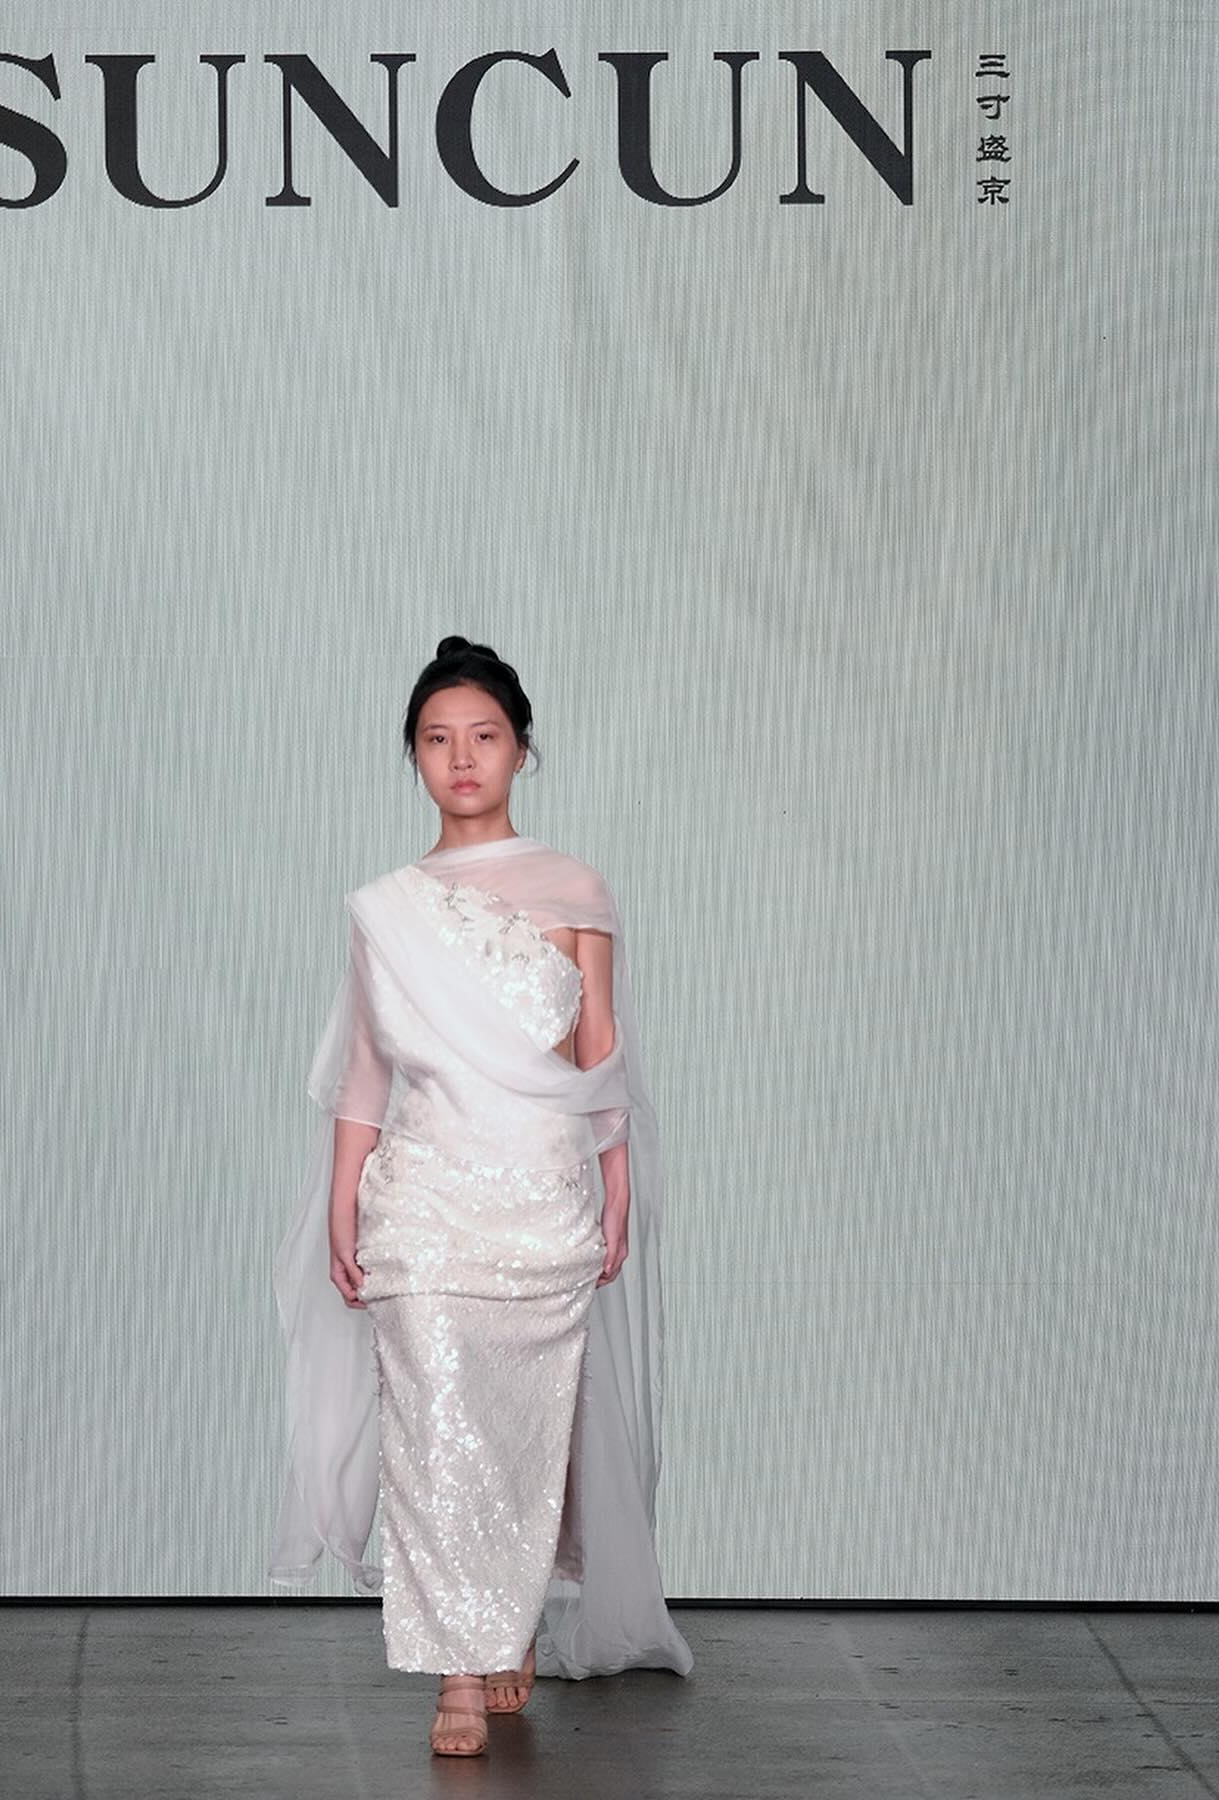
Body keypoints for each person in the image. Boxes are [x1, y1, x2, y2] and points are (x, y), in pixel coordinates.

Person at [268, 636, 693, 1755]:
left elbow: (599, 1052)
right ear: (413, 756)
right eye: (436, 740)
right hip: (423, 1197)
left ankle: (505, 1621)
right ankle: (459, 1668)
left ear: (521, 749)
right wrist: (342, 1201)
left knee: (524, 1431)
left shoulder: (576, 890)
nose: (461, 759)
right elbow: (366, 1072)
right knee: (435, 1426)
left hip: (542, 1192)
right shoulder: (388, 910)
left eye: (484, 737)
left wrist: (618, 1182)